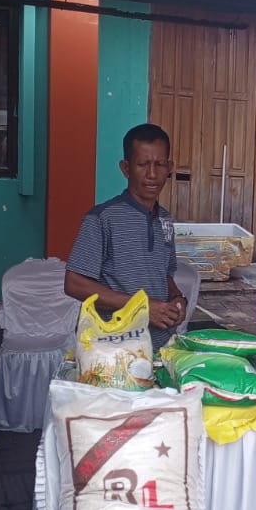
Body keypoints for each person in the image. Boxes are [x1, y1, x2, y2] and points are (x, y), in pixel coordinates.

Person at [65, 123, 186, 353]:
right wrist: (142, 308)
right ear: (126, 168)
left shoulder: (165, 219)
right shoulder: (102, 218)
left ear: (169, 167)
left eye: (160, 164)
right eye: (143, 164)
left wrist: (177, 298)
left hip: (160, 346)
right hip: (113, 349)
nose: (152, 174)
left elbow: (165, 275)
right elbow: (74, 284)